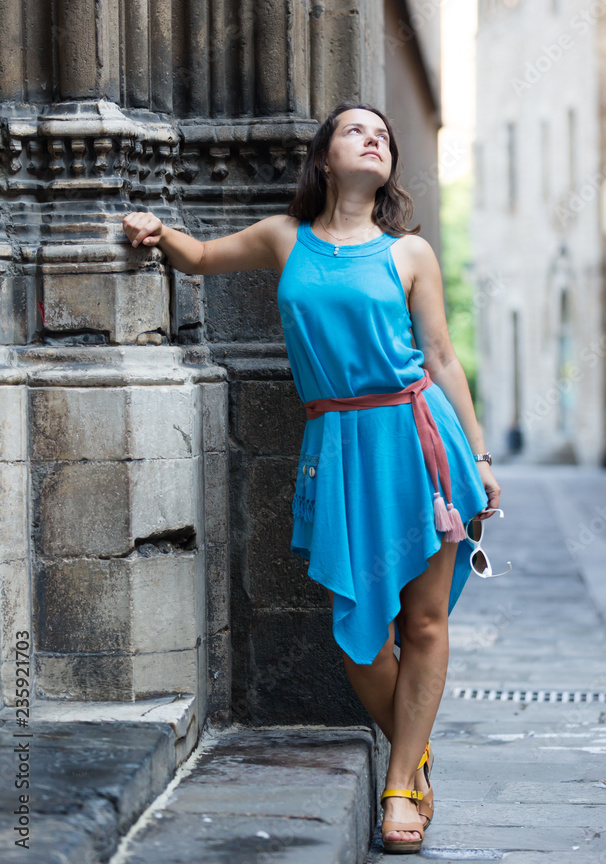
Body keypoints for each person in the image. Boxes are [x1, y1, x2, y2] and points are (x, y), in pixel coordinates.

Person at [122, 102, 502, 854]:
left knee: (422, 623)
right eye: (356, 129)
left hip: (419, 441)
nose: (375, 139)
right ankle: (414, 756)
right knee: (357, 639)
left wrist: (481, 456)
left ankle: (400, 785)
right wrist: (154, 231)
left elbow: (442, 356)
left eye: (384, 135)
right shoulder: (283, 238)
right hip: (337, 442)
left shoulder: (408, 255)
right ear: (325, 158)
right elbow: (199, 260)